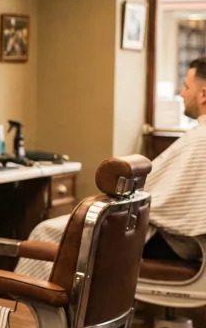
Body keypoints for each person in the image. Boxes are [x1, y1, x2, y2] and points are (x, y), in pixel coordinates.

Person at [16, 57, 206, 280]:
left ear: (203, 94)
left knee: (44, 233)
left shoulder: (199, 141)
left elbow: (159, 201)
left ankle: (36, 309)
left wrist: (118, 203)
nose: (181, 94)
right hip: (183, 243)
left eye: (186, 87)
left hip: (171, 242)